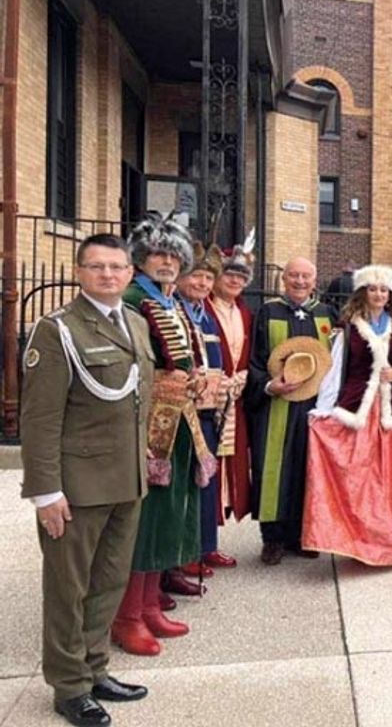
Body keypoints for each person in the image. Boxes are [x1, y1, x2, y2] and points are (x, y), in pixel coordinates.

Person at [21, 234, 154, 727]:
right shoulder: (56, 331)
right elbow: (39, 420)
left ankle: (95, 669)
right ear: (79, 272)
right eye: (97, 267)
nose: (108, 275)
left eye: (117, 267)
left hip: (126, 481)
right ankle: (69, 686)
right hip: (76, 487)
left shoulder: (136, 323)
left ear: (128, 273)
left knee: (108, 584)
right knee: (67, 588)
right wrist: (45, 491)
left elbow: (139, 402)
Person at [112, 215, 215, 656]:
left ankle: (150, 605)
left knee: (169, 517)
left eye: (174, 255)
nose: (167, 262)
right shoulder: (133, 300)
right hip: (148, 430)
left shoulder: (170, 302)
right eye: (158, 253)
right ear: (141, 257)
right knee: (145, 523)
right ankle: (127, 616)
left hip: (178, 427)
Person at [305, 265, 392, 565]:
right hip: (357, 407)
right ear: (363, 293)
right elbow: (334, 371)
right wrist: (323, 410)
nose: (378, 294)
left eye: (384, 290)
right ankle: (358, 541)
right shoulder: (348, 330)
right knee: (358, 478)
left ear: (390, 295)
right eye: (373, 289)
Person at [245, 257, 335, 564]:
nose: (299, 281)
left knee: (308, 468)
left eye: (306, 276)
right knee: (273, 468)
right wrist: (269, 386)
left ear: (315, 280)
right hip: (276, 407)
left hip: (315, 407)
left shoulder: (326, 315)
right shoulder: (267, 313)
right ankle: (273, 539)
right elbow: (254, 360)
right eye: (294, 275)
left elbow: (338, 363)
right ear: (283, 279)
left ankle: (303, 535)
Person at [176, 243, 234, 579]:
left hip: (210, 408)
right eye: (196, 275)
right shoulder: (175, 312)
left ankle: (204, 545)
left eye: (208, 277)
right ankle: (184, 551)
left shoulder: (204, 313)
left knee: (207, 478)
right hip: (183, 409)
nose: (201, 283)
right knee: (185, 482)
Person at [203, 233, 256, 535]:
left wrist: (244, 377)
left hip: (235, 400)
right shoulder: (204, 309)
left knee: (228, 471)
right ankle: (201, 541)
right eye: (229, 274)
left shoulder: (245, 312)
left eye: (240, 276)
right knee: (207, 470)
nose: (234, 281)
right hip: (209, 401)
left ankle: (212, 539)